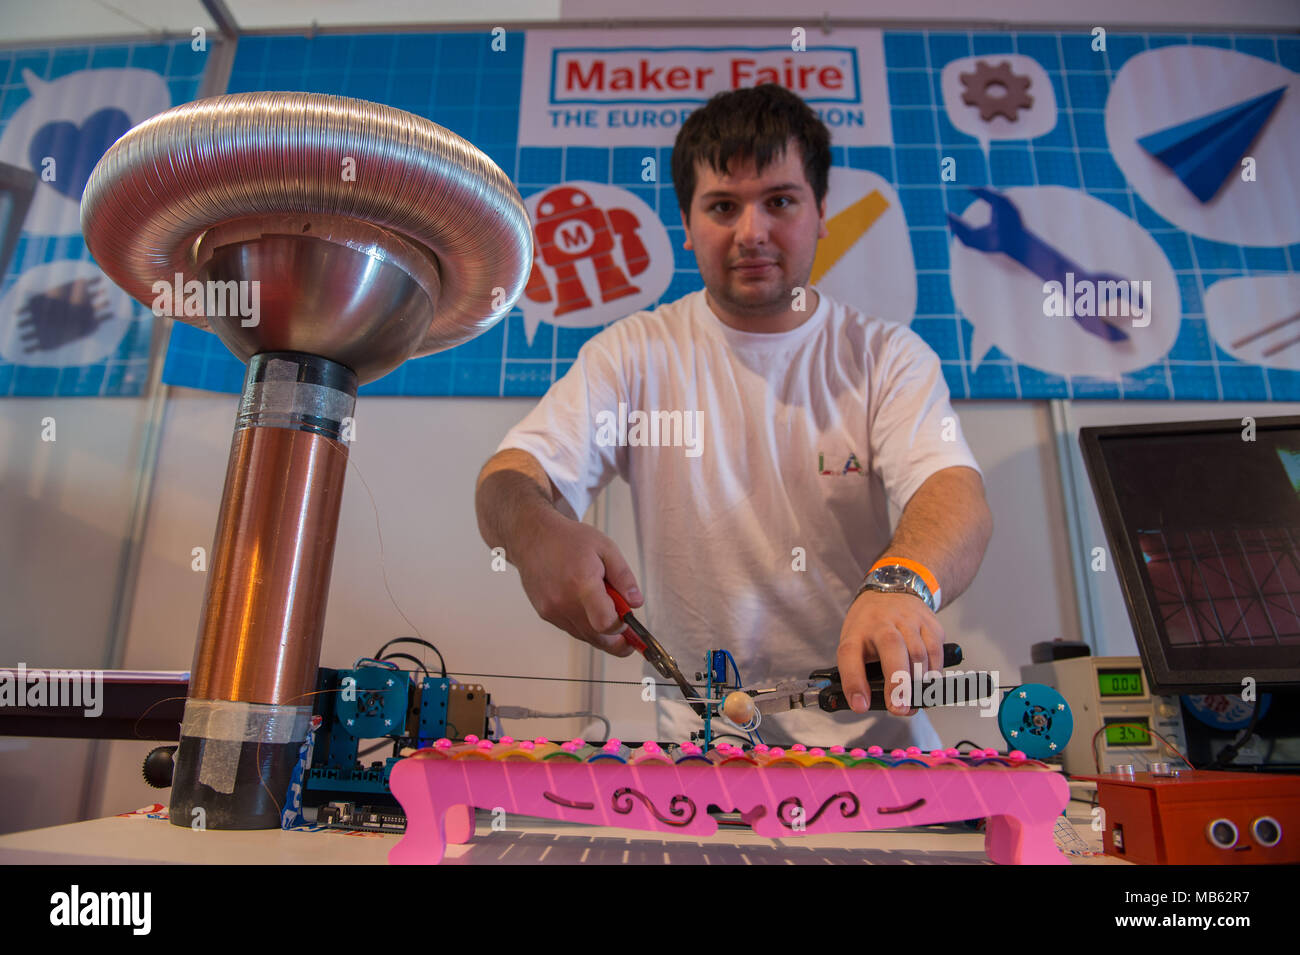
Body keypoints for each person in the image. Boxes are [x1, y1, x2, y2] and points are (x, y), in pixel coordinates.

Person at [475, 83, 992, 749]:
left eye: (779, 200)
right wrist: (533, 534)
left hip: (881, 765)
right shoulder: (633, 354)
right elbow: (508, 478)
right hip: (701, 769)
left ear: (820, 212)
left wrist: (904, 584)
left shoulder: (886, 356)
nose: (752, 233)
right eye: (723, 206)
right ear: (687, 226)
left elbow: (954, 493)